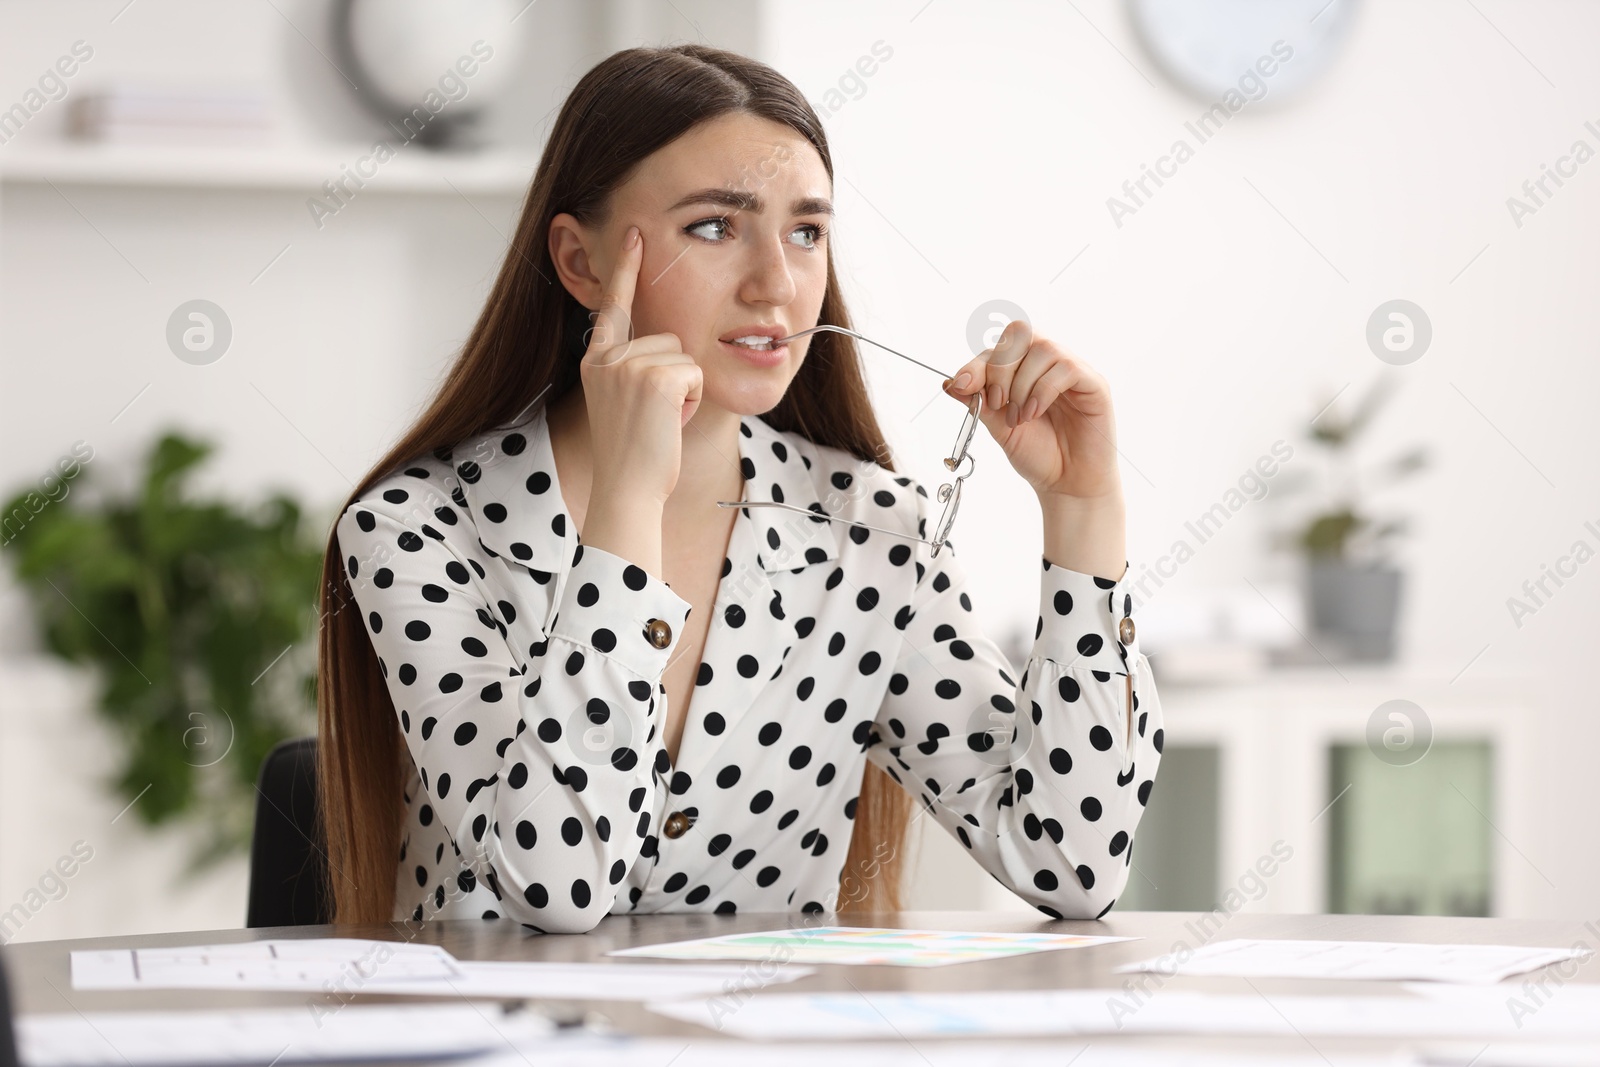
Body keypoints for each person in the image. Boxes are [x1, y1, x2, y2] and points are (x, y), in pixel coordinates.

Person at [318, 44, 1163, 933]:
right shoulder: (418, 529)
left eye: (806, 231)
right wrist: (629, 508)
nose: (780, 285)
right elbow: (558, 886)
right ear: (580, 262)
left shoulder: (873, 531)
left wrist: (1083, 509)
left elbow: (1073, 861)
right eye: (716, 227)